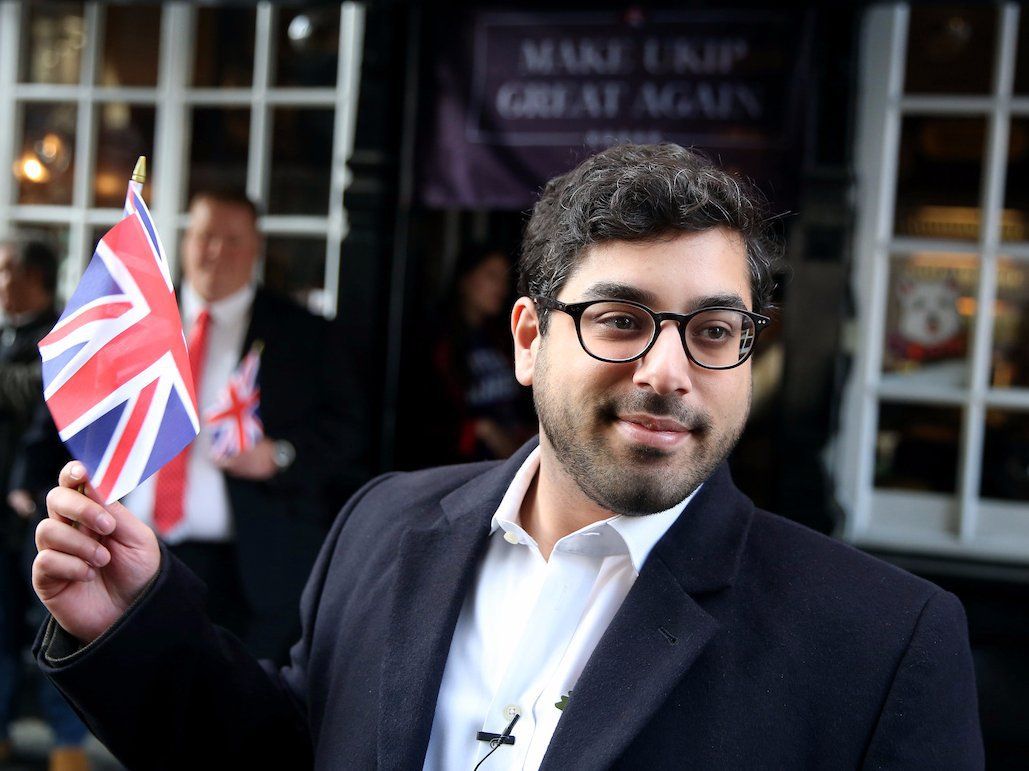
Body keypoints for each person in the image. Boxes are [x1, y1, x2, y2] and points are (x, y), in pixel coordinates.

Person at [32, 145, 982, 769]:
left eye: (712, 330)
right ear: (528, 339)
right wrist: (135, 621)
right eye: (620, 319)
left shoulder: (881, 643)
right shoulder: (382, 525)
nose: (668, 370)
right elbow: (285, 751)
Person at [116, 189, 366, 664]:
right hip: (133, 555)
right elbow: (73, 419)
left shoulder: (305, 333)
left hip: (250, 566)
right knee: (134, 695)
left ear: (256, 249)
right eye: (205, 236)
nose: (216, 251)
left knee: (230, 700)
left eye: (233, 240)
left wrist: (280, 455)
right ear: (185, 241)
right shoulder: (134, 321)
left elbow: (347, 431)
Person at [0, 236, 91, 771]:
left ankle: (67, 744)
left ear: (34, 276)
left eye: (6, 270)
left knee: (53, 626)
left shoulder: (62, 339)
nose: (1, 282)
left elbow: (35, 395)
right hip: (2, 518)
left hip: (44, 513)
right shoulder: (7, 336)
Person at [413, 244, 535, 465]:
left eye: (504, 279)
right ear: (465, 280)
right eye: (491, 276)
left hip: (511, 457)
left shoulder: (502, 338)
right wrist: (481, 430)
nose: (501, 288)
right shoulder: (437, 341)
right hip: (464, 465)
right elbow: (425, 417)